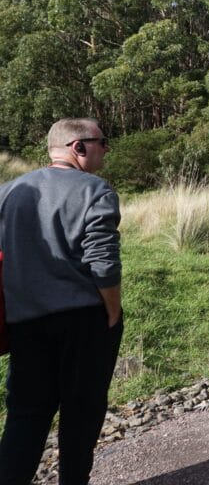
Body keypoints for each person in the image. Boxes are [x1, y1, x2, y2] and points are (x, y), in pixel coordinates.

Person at [0, 118, 123, 485]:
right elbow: (103, 263)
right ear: (78, 147)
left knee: (25, 415)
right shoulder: (95, 190)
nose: (106, 148)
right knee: (81, 413)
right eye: (102, 141)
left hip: (24, 319)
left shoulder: (7, 192)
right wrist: (113, 314)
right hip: (84, 319)